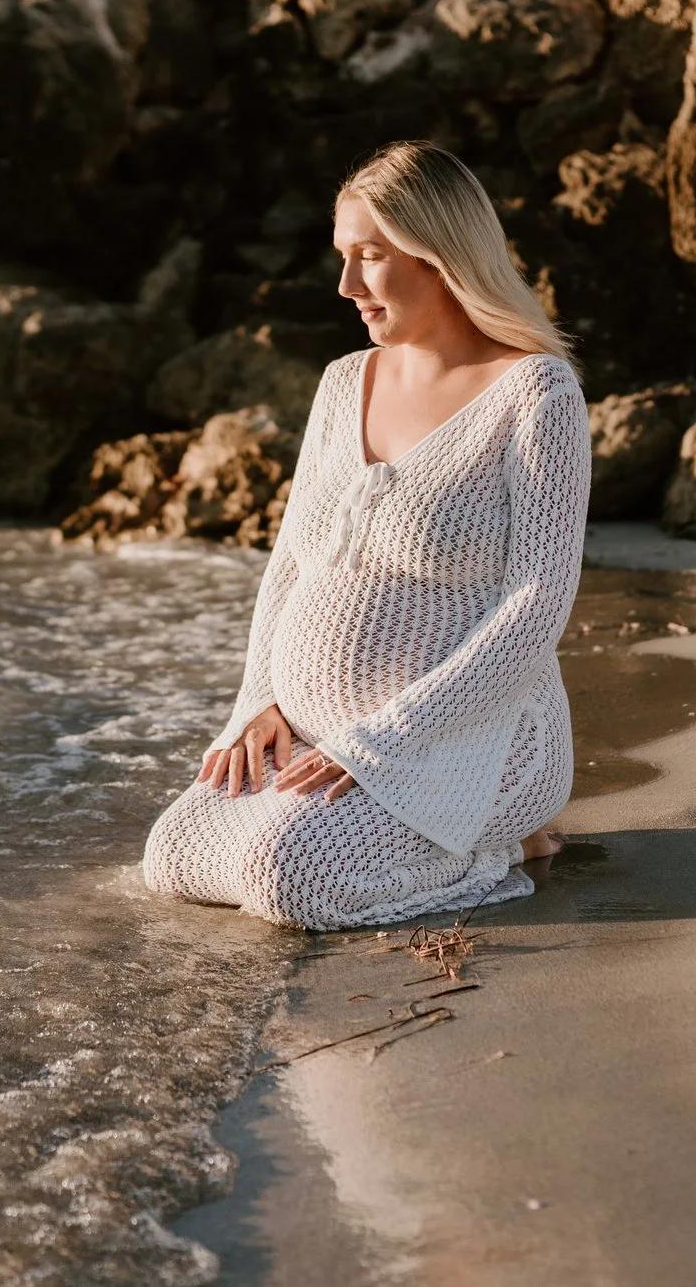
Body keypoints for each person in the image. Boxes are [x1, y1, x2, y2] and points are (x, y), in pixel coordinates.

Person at [140, 142, 591, 930]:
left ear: (439, 255)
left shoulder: (536, 394)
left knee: (290, 881)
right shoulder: (345, 380)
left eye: (370, 256)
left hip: (469, 740)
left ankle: (507, 845)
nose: (346, 285)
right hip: (320, 734)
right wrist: (260, 703)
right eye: (343, 256)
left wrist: (386, 739)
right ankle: (369, 824)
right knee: (174, 856)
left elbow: (536, 604)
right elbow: (289, 566)